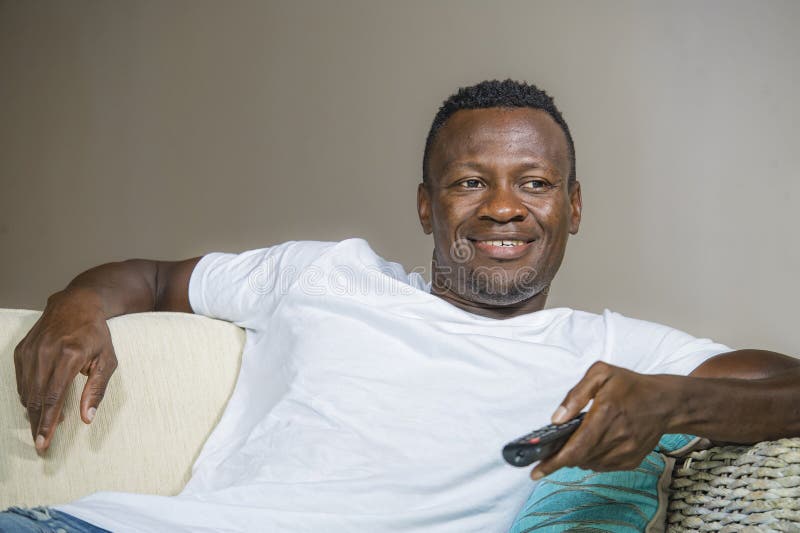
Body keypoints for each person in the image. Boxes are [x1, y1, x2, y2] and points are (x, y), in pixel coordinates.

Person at [8, 79, 800, 532]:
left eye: (534, 182)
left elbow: (790, 387)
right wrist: (77, 301)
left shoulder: (609, 346)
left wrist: (672, 398)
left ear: (574, 205)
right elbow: (149, 278)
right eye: (469, 182)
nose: (502, 208)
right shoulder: (326, 275)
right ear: (426, 206)